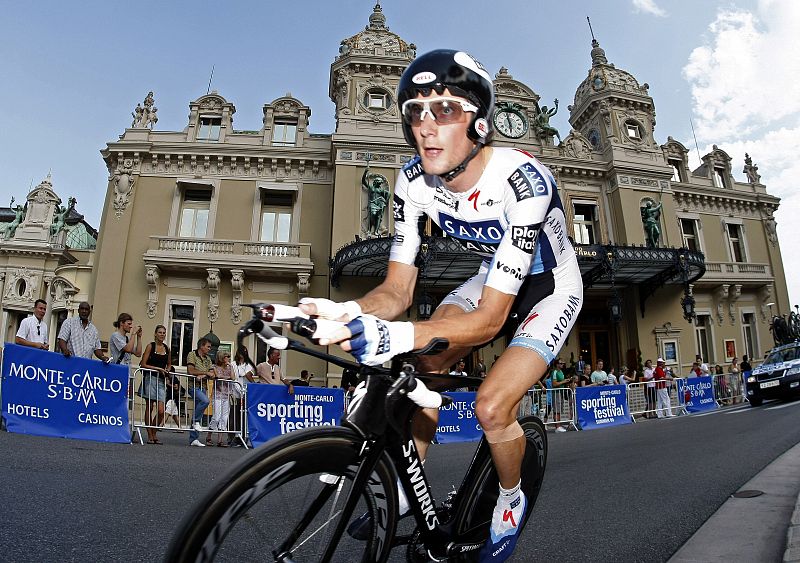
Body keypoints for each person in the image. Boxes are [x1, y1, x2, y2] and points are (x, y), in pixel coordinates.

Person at [299, 49, 583, 562]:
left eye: (446, 109)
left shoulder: (523, 181)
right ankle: (410, 491)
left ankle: (511, 500)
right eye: (416, 111)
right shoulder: (412, 182)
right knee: (423, 364)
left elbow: (492, 320)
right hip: (489, 277)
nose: (427, 126)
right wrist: (346, 312)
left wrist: (396, 334)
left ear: (478, 122)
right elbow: (397, 293)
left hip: (548, 287)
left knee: (493, 407)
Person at [139, 324, 170, 444]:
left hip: (161, 380)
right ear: (155, 334)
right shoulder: (150, 346)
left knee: (161, 410)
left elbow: (168, 364)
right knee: (150, 406)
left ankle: (154, 432)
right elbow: (143, 364)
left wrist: (166, 370)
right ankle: (150, 435)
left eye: (164, 332)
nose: (162, 334)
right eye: (160, 332)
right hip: (150, 378)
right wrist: (157, 369)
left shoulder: (167, 349)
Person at [185, 337, 214, 447]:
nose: (209, 349)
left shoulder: (208, 359)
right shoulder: (192, 354)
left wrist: (204, 374)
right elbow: (191, 371)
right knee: (205, 401)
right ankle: (195, 422)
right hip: (193, 386)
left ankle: (193, 439)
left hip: (203, 387)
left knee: (199, 410)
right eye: (208, 346)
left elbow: (212, 374)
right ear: (201, 346)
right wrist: (205, 372)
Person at [206, 352, 233, 447]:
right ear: (222, 358)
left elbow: (232, 377)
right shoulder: (214, 367)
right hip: (217, 394)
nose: (228, 359)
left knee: (224, 417)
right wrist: (226, 377)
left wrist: (231, 367)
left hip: (226, 395)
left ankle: (220, 440)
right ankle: (209, 436)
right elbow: (217, 376)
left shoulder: (229, 367)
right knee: (216, 416)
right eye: (226, 357)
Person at [229, 346, 255, 446]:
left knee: (244, 416)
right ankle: (233, 437)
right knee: (234, 416)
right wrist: (239, 391)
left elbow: (248, 375)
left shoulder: (249, 365)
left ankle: (243, 437)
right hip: (236, 392)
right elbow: (234, 379)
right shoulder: (233, 364)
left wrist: (244, 392)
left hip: (246, 393)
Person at [550, 358, 569, 432]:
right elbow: (554, 384)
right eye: (561, 363)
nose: (562, 364)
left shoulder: (561, 371)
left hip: (561, 392)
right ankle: (557, 426)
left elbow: (561, 381)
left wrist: (566, 381)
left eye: (563, 363)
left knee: (559, 409)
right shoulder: (554, 372)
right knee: (557, 410)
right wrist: (563, 381)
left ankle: (559, 425)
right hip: (556, 393)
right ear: (557, 364)